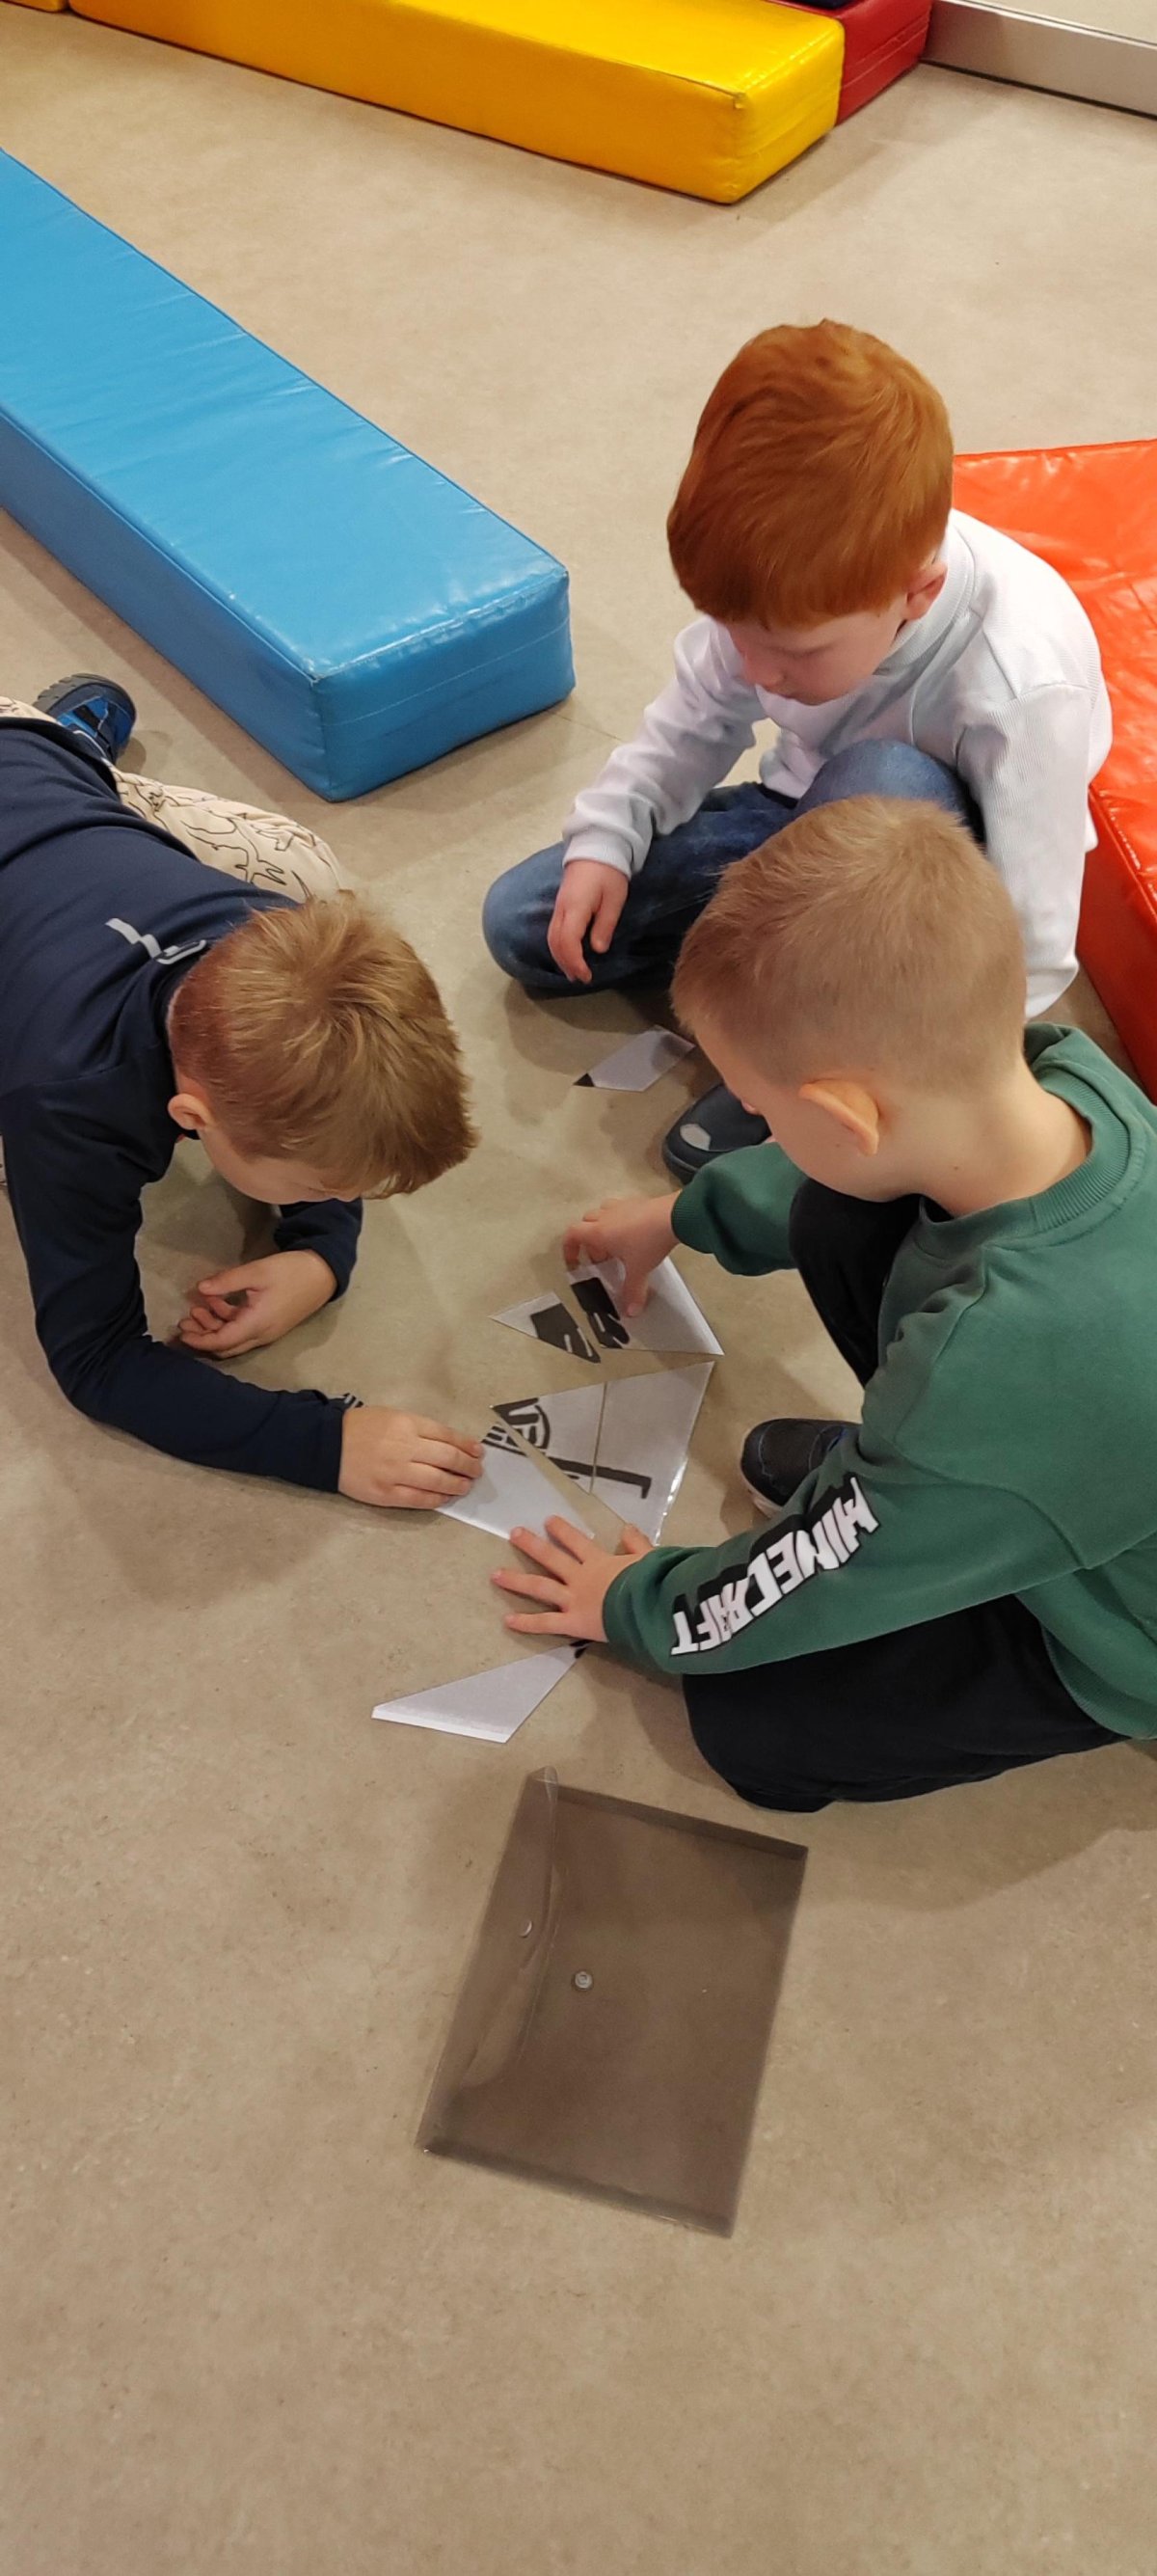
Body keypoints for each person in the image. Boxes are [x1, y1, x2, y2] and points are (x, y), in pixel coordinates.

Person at [491, 797, 1157, 1810]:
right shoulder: (1063, 1074)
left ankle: (924, 1490)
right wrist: (683, 1214)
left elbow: (803, 1583)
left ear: (846, 1115)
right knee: (844, 1216)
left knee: (753, 1726)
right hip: (1053, 1445)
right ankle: (930, 1485)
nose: (756, 1123)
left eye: (760, 1109)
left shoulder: (995, 1363)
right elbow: (834, 1180)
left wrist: (637, 1604)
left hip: (1117, 1621)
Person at [481, 320, 1111, 1180]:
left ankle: (799, 1052)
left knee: (885, 782)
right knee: (524, 924)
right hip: (799, 817)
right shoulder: (784, 600)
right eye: (734, 633)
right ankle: (771, 1000)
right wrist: (608, 838)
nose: (756, 670)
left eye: (791, 653)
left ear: (918, 595)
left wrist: (930, 1089)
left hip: (927, 892)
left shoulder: (1022, 684)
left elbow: (1031, 931)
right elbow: (690, 724)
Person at [0, 680, 483, 1509]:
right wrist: (324, 1442)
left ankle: (78, 743)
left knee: (310, 867)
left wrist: (321, 1251)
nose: (342, 1197)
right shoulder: (69, 1097)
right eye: (322, 1186)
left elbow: (337, 1097)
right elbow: (96, 1360)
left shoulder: (283, 928)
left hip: (29, 758)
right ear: (190, 1118)